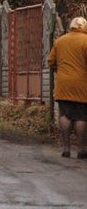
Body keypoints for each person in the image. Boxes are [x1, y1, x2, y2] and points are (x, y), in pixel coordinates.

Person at [48, 16, 87, 159]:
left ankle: (66, 148)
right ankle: (82, 149)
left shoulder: (60, 41)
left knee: (65, 114)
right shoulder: (86, 41)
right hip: (82, 84)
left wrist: (60, 70)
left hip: (63, 84)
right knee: (81, 116)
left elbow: (51, 61)